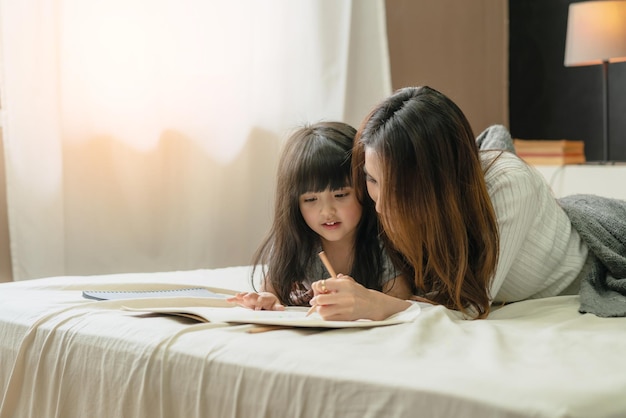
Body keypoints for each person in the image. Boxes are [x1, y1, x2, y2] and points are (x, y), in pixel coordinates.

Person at [318, 85, 626, 320]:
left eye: (397, 188)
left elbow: (470, 307)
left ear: (436, 179)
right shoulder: (393, 201)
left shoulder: (510, 186)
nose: (381, 205)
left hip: (584, 266)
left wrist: (374, 305)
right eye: (372, 180)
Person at [227, 121, 413, 320]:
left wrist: (362, 299)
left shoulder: (381, 240)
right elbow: (271, 292)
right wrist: (266, 300)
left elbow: (401, 300)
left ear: (364, 188)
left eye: (340, 195)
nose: (327, 211)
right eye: (310, 200)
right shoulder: (296, 242)